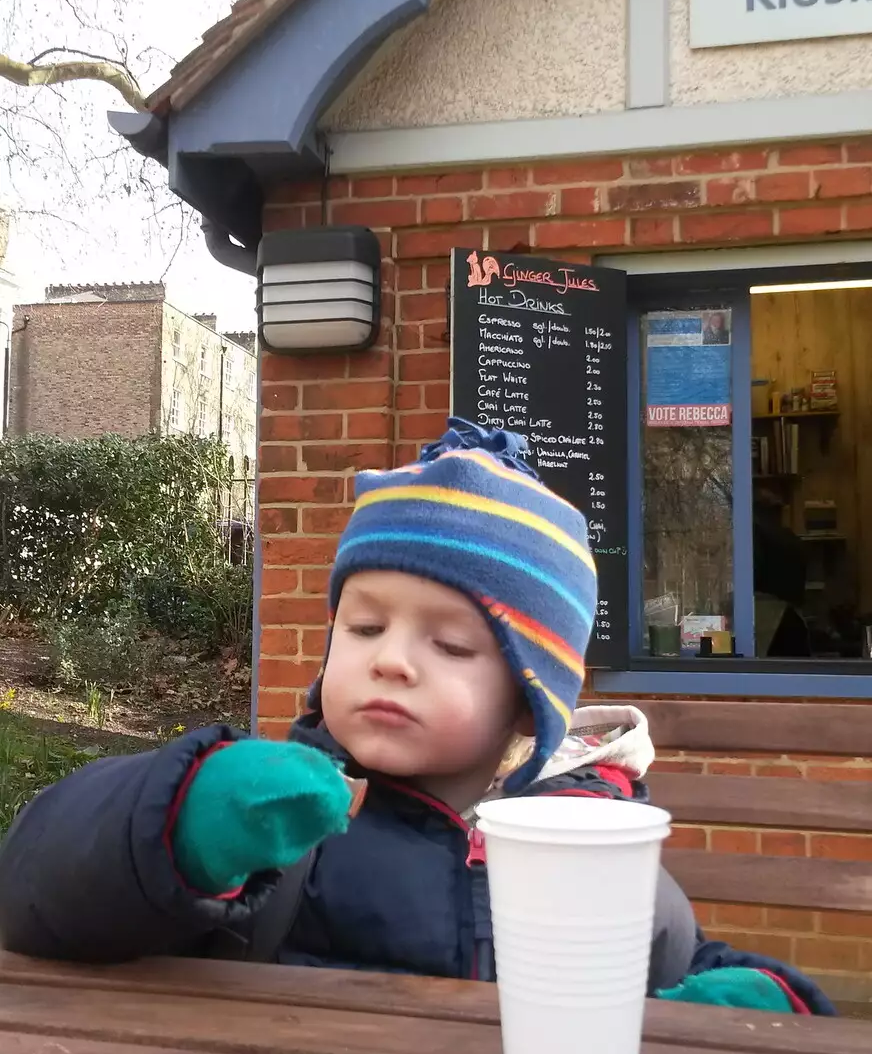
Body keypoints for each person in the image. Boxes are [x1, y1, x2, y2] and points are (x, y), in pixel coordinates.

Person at [0, 418, 833, 1015]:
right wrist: (182, 824)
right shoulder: (284, 828)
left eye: (450, 645)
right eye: (363, 627)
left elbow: (673, 959)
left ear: (527, 697)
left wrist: (763, 995)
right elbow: (34, 892)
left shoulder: (589, 846)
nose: (389, 659)